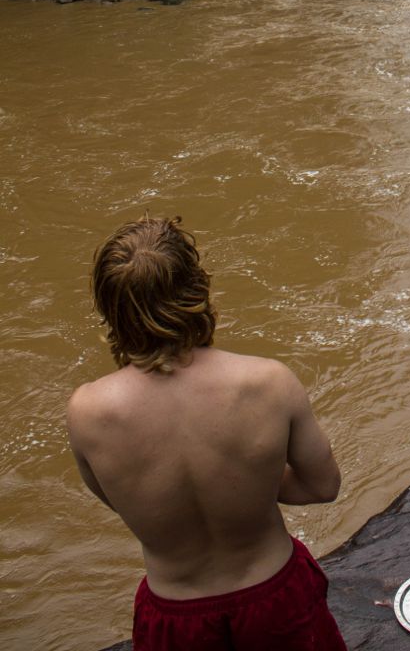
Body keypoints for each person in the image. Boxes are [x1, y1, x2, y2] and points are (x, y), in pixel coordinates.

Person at [66, 213, 348, 650]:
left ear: (109, 308)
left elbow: (120, 502)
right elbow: (323, 485)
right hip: (274, 594)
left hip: (175, 614)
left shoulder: (87, 412)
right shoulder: (268, 383)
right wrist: (248, 480)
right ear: (197, 291)